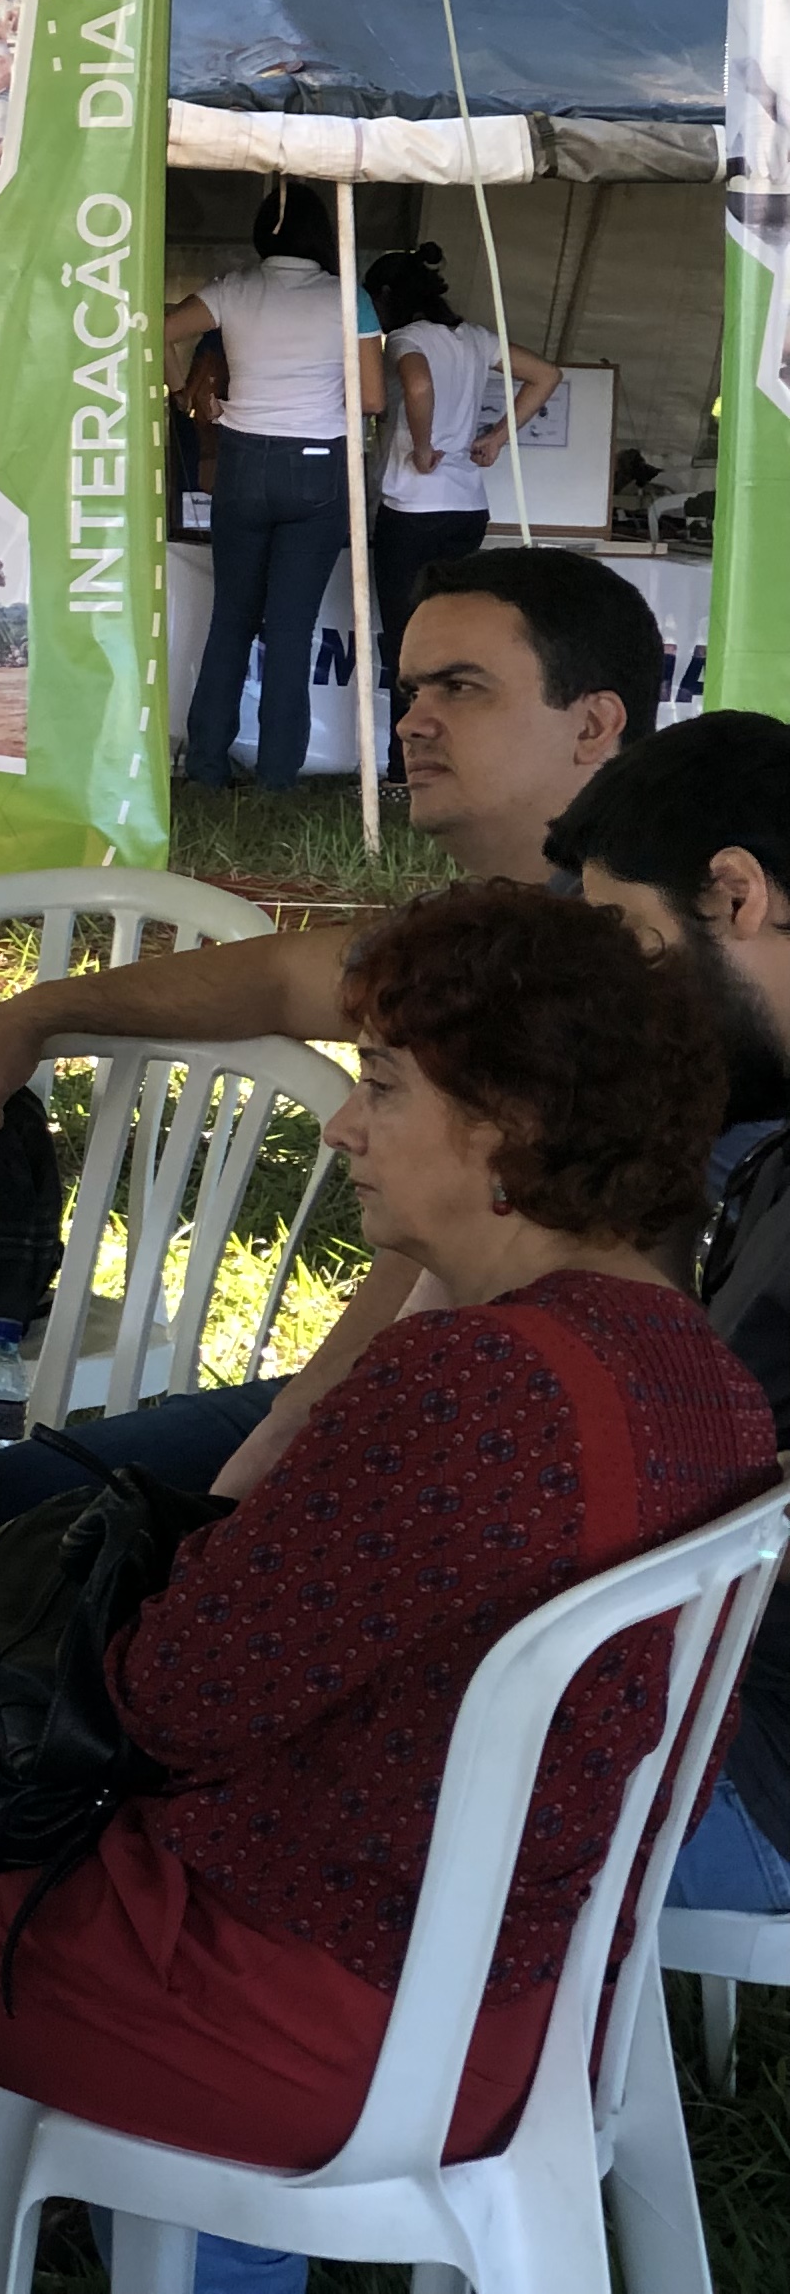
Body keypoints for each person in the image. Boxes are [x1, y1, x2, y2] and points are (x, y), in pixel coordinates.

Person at [0, 881, 771, 2294]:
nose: (341, 1129)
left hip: (307, 2020)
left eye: (381, 1089)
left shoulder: (475, 1385)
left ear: (504, 1126)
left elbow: (168, 1698)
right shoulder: (704, 1378)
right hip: (523, 2011)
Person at [0, 545, 668, 1581]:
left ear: (594, 722)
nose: (414, 719)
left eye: (463, 687)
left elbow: (439, 1260)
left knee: (9, 1546)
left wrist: (293, 1433)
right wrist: (49, 1005)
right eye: (410, 689)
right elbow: (281, 980)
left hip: (512, 1447)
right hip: (428, 1398)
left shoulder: (621, 958)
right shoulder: (488, 933)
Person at [543, 712, 790, 1915]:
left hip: (746, 1778)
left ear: (736, 896)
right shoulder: (765, 1141)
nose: (623, 1006)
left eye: (633, 943)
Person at [169, 186, 373, 788]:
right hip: (317, 465)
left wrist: (185, 394)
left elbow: (152, 330)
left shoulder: (232, 288)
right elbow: (373, 397)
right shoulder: (347, 298)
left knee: (230, 618)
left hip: (243, 460)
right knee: (290, 629)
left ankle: (206, 766)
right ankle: (278, 777)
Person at [365, 240, 563, 700]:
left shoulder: (405, 339)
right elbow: (546, 375)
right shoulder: (474, 337)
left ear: (389, 294)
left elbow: (417, 385)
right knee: (451, 637)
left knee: (405, 638)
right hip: (468, 506)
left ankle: (401, 760)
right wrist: (494, 438)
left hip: (412, 508)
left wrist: (420, 446)